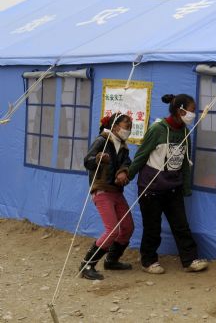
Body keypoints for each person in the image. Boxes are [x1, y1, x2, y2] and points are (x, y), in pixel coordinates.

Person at [128, 94, 208, 274]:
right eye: (192, 110)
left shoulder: (185, 132)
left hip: (173, 187)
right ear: (181, 111)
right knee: (152, 227)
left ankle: (190, 260)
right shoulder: (157, 129)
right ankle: (148, 261)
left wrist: (185, 187)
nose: (194, 114)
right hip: (151, 188)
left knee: (181, 225)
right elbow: (141, 155)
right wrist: (128, 176)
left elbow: (186, 162)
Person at [80, 113, 134, 280]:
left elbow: (127, 163)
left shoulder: (123, 146)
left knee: (127, 227)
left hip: (116, 191)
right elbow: (87, 161)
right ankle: (87, 264)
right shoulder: (101, 141)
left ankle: (111, 260)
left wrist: (123, 172)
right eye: (127, 127)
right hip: (102, 189)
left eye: (130, 128)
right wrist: (98, 158)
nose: (128, 130)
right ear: (116, 127)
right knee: (112, 230)